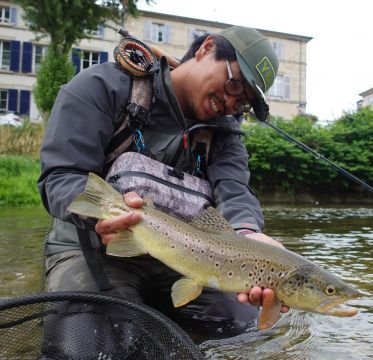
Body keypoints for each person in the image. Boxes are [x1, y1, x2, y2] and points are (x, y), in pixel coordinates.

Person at [38, 25, 288, 339]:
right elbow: (60, 177)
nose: (230, 103)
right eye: (234, 84)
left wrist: (249, 236)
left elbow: (235, 191)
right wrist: (99, 215)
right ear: (205, 49)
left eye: (243, 103)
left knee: (246, 332)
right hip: (94, 248)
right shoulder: (102, 87)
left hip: (187, 259)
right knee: (92, 342)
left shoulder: (226, 135)